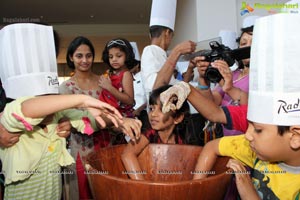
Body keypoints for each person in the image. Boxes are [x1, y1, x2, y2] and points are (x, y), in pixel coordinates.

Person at [0, 23, 126, 200]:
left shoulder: (59, 115)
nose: (84, 60)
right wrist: (82, 99)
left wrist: (122, 120)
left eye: (89, 55)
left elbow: (88, 119)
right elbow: (27, 108)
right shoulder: (13, 113)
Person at [192, 14, 300, 199]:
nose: (247, 134)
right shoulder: (253, 146)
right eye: (244, 43)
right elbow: (213, 107)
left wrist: (249, 191)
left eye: (257, 129)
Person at [59, 36, 106, 200]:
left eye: (89, 55)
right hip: (81, 147)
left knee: (106, 189)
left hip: (106, 144)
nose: (85, 60)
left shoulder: (103, 82)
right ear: (71, 57)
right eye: (79, 56)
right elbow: (68, 120)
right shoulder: (66, 87)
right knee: (84, 192)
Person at [195, 16, 259, 137]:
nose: (247, 47)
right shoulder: (233, 75)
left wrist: (229, 88)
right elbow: (210, 104)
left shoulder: (262, 78)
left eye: (253, 42)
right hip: (227, 142)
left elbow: (251, 110)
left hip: (248, 141)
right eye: (243, 43)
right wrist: (203, 78)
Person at [121, 84, 190, 180]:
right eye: (152, 108)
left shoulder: (180, 140)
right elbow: (128, 155)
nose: (153, 114)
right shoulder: (149, 134)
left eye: (161, 109)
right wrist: (142, 186)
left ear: (177, 118)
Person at [141, 0, 196, 95]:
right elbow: (156, 87)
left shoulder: (163, 55)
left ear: (150, 35)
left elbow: (174, 89)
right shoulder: (150, 50)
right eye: (172, 36)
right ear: (167, 33)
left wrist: (190, 68)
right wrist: (177, 51)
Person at [99, 38, 136, 118]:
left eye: (119, 56)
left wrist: (109, 87)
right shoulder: (111, 73)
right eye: (111, 57)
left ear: (127, 56)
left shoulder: (126, 74)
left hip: (121, 117)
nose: (114, 59)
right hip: (108, 114)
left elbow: (129, 100)